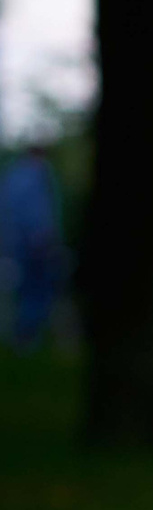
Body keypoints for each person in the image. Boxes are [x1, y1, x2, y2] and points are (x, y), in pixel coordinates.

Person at [1, 142, 63, 352]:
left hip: (16, 243)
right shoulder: (37, 175)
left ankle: (23, 336)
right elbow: (39, 210)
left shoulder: (13, 175)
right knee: (37, 288)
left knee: (25, 288)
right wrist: (44, 235)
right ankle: (27, 337)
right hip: (36, 242)